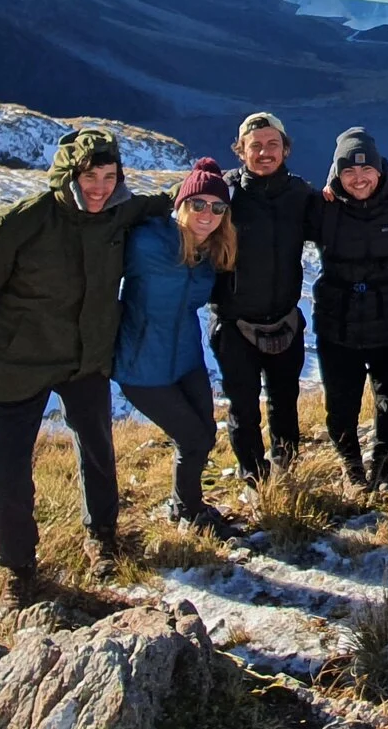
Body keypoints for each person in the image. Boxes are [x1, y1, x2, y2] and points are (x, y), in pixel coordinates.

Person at [0, 128, 171, 609]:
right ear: (69, 175)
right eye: (90, 177)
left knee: (98, 448)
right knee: (8, 468)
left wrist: (214, 185)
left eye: (110, 177)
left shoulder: (117, 213)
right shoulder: (20, 223)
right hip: (20, 362)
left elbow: (162, 202)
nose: (100, 188)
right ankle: (17, 569)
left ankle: (103, 537)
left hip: (86, 360)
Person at [310, 127, 388, 491]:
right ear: (336, 173)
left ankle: (382, 462)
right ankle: (351, 467)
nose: (359, 178)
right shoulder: (322, 208)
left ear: (381, 170)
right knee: (341, 401)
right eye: (348, 170)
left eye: (367, 168)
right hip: (338, 319)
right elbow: (278, 214)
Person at [117, 156, 239, 534]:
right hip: (141, 366)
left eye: (217, 207)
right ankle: (189, 512)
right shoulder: (146, 242)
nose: (207, 214)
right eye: (198, 203)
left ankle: (184, 504)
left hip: (186, 358)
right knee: (192, 437)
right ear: (181, 204)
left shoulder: (210, 253)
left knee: (204, 434)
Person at [212, 113, 317, 486]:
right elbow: (183, 213)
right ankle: (254, 480)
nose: (265, 152)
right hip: (235, 324)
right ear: (240, 151)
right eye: (255, 145)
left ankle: (286, 474)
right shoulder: (224, 195)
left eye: (273, 144)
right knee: (243, 408)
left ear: (286, 149)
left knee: (285, 402)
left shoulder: (301, 195)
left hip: (285, 319)